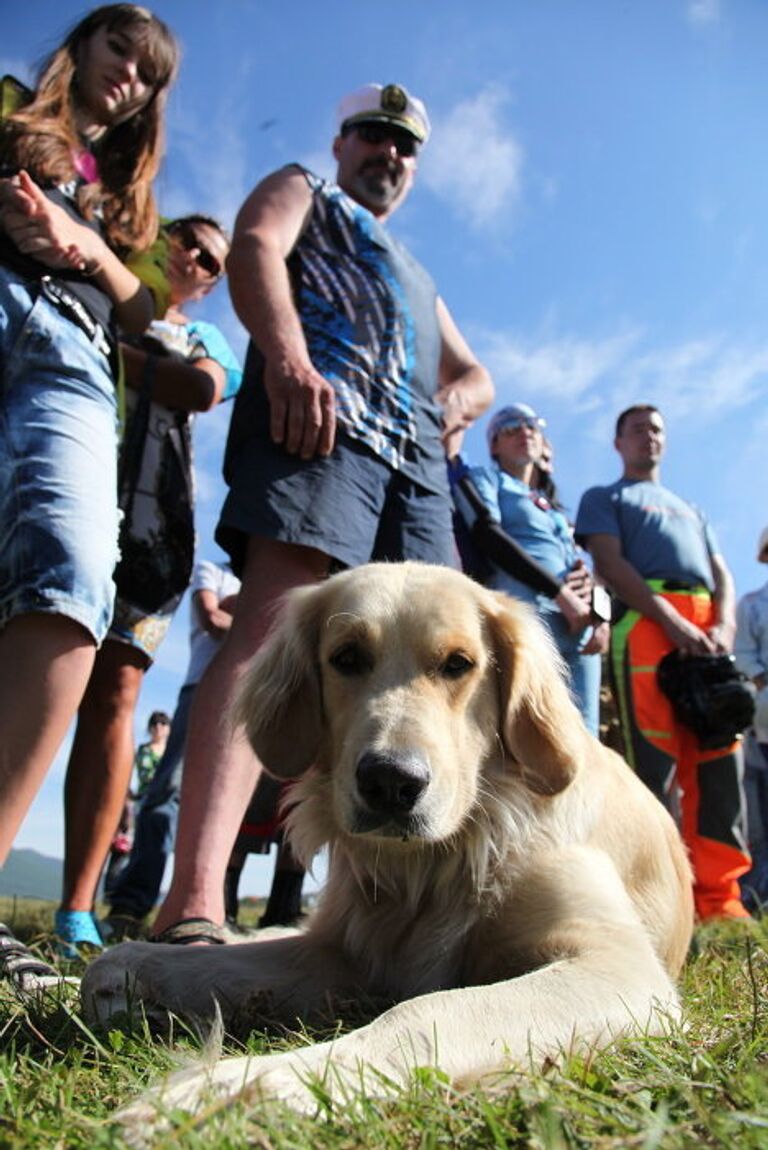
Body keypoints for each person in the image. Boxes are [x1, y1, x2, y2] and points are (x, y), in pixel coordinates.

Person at [150, 82, 494, 943]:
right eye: (374, 137)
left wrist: (452, 412)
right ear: (342, 143)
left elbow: (474, 374)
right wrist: (292, 361)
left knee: (437, 657)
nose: (390, 154)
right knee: (274, 627)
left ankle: (403, 917)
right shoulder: (307, 186)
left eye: (405, 145)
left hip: (415, 465)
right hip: (325, 422)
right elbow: (256, 245)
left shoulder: (418, 273)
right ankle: (194, 901)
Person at [0, 4, 178, 988]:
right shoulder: (9, 105)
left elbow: (146, 307)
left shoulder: (129, 200)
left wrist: (76, 245)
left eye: (151, 73)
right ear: (82, 45)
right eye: (121, 49)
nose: (131, 77)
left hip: (69, 361)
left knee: (71, 574)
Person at [55, 218, 242, 957]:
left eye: (213, 260)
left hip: (153, 526)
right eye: (185, 238)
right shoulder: (89, 279)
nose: (194, 257)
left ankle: (77, 908)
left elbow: (199, 386)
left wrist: (116, 353)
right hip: (56, 481)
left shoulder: (213, 341)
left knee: (115, 695)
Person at [575, 403, 750, 920]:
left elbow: (722, 573)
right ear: (618, 443)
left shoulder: (692, 509)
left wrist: (724, 626)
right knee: (650, 764)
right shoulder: (606, 497)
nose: (647, 437)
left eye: (655, 429)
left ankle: (720, 900)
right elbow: (608, 562)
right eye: (636, 430)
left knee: (721, 759)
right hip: (646, 626)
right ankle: (652, 900)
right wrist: (671, 623)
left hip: (708, 627)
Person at [103, 558, 241, 940]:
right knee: (167, 795)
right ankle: (131, 904)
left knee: (233, 810)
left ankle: (214, 913)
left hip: (252, 696)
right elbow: (210, 618)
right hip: (202, 689)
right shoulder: (212, 570)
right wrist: (259, 621)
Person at [455, 403, 608, 735]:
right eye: (510, 428)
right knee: (529, 729)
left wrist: (602, 616)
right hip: (528, 617)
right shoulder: (486, 480)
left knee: (586, 736)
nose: (523, 432)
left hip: (580, 628)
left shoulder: (552, 507)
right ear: (494, 445)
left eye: (531, 426)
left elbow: (589, 568)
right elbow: (486, 533)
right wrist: (560, 592)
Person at [733, 526, 768, 910]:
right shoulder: (753, 605)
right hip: (761, 724)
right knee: (756, 815)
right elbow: (745, 656)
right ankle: (758, 895)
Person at [102, 709, 170, 896]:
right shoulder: (143, 750)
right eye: (154, 724)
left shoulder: (173, 753)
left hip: (165, 802)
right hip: (141, 802)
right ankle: (113, 891)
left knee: (155, 848)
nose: (158, 727)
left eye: (163, 723)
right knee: (126, 846)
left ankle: (146, 891)